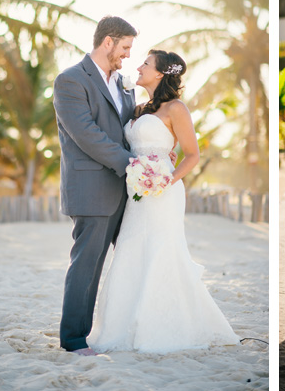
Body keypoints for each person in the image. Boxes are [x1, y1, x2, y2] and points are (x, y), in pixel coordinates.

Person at [87, 49, 240, 353]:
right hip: (137, 192)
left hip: (163, 191)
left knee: (161, 252)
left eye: (145, 63)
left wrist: (166, 180)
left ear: (159, 73)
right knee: (130, 250)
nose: (139, 67)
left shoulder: (176, 109)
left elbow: (192, 155)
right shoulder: (138, 108)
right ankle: (122, 327)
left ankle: (162, 327)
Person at [53, 16, 139, 355]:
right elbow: (87, 135)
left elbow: (127, 126)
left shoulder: (121, 83)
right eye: (126, 47)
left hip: (126, 191)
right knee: (86, 267)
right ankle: (73, 340)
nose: (128, 55)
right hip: (91, 190)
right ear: (108, 42)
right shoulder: (70, 81)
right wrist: (131, 164)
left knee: (134, 261)